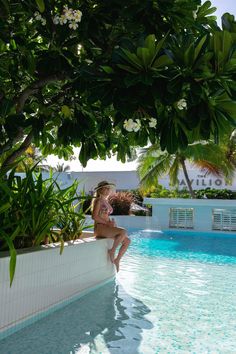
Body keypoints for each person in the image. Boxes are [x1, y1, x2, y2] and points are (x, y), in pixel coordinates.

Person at [91, 181, 131, 272]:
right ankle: (112, 251)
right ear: (100, 190)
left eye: (109, 188)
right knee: (123, 231)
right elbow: (94, 216)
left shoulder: (106, 201)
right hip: (100, 228)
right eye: (106, 188)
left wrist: (111, 223)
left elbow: (105, 216)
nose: (108, 190)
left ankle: (117, 260)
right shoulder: (98, 200)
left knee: (127, 241)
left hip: (106, 227)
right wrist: (107, 223)